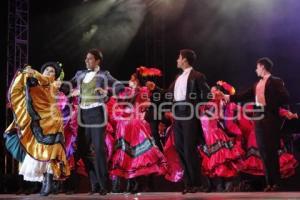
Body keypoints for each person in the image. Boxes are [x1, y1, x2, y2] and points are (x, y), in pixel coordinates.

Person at [224, 57, 290, 191]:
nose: (256, 70)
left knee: (271, 152)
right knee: (263, 153)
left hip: (270, 118)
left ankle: (276, 183)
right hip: (258, 119)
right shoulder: (256, 84)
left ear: (262, 67)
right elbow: (243, 95)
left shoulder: (276, 81)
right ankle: (269, 183)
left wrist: (270, 107)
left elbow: (285, 97)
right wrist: (227, 97)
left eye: (257, 67)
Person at [5, 62, 70, 196]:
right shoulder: (35, 84)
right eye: (46, 70)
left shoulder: (51, 84)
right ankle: (47, 182)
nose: (48, 72)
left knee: (52, 151)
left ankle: (50, 181)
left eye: (52, 71)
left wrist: (31, 71)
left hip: (52, 121)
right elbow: (22, 91)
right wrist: (24, 73)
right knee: (41, 151)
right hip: (39, 122)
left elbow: (44, 79)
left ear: (55, 76)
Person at [70, 49, 124, 195]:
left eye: (90, 59)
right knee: (82, 149)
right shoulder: (79, 74)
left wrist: (108, 92)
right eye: (86, 59)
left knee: (99, 149)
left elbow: (119, 86)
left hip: (97, 113)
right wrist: (65, 88)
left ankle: (103, 185)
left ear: (98, 61)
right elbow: (68, 86)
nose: (87, 61)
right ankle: (94, 184)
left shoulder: (104, 75)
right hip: (83, 114)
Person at [168, 49, 211, 194]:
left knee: (189, 148)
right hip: (177, 113)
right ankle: (189, 183)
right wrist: (154, 89)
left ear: (184, 59)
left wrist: (193, 104)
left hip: (189, 113)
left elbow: (207, 95)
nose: (177, 60)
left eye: (178, 57)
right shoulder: (178, 77)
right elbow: (167, 94)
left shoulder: (197, 76)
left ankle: (197, 183)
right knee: (179, 147)